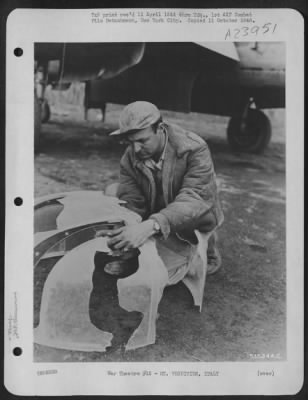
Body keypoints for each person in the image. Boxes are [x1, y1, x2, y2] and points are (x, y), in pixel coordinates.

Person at [107, 101, 224, 276]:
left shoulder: (194, 149)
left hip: (191, 215)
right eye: (130, 142)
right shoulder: (130, 156)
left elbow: (194, 199)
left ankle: (208, 252)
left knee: (185, 271)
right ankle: (139, 252)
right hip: (160, 214)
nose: (136, 149)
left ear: (160, 129)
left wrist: (151, 225)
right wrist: (128, 229)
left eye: (142, 141)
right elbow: (132, 198)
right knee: (112, 191)